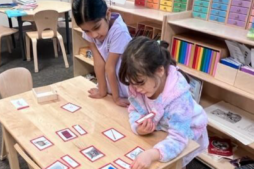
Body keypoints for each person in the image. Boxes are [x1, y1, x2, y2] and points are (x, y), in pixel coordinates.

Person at [119, 37, 209, 169]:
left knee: (176, 163)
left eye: (140, 83)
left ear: (160, 71)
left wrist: (151, 155)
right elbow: (134, 109)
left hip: (188, 130)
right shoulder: (138, 82)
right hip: (164, 127)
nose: (136, 89)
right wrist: (137, 127)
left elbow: (179, 139)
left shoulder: (179, 98)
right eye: (132, 84)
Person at [72, 0, 132, 107]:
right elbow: (98, 60)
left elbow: (110, 66)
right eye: (87, 31)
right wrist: (102, 90)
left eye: (96, 28)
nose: (94, 35)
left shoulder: (119, 31)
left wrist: (116, 97)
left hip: (125, 83)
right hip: (111, 82)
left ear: (108, 14)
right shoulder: (89, 29)